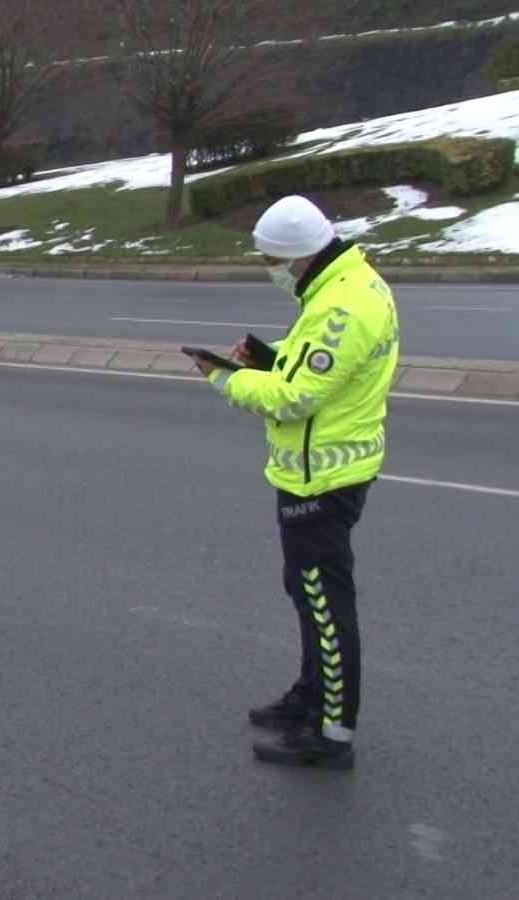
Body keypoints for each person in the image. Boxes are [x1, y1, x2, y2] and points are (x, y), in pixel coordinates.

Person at [192, 195, 400, 770]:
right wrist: (266, 356)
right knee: (306, 592)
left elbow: (296, 396)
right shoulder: (340, 286)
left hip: (324, 478)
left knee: (325, 603)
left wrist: (224, 379)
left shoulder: (344, 307)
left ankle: (332, 734)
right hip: (317, 469)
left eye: (271, 260)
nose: (271, 270)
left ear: (299, 256)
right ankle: (310, 695)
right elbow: (311, 363)